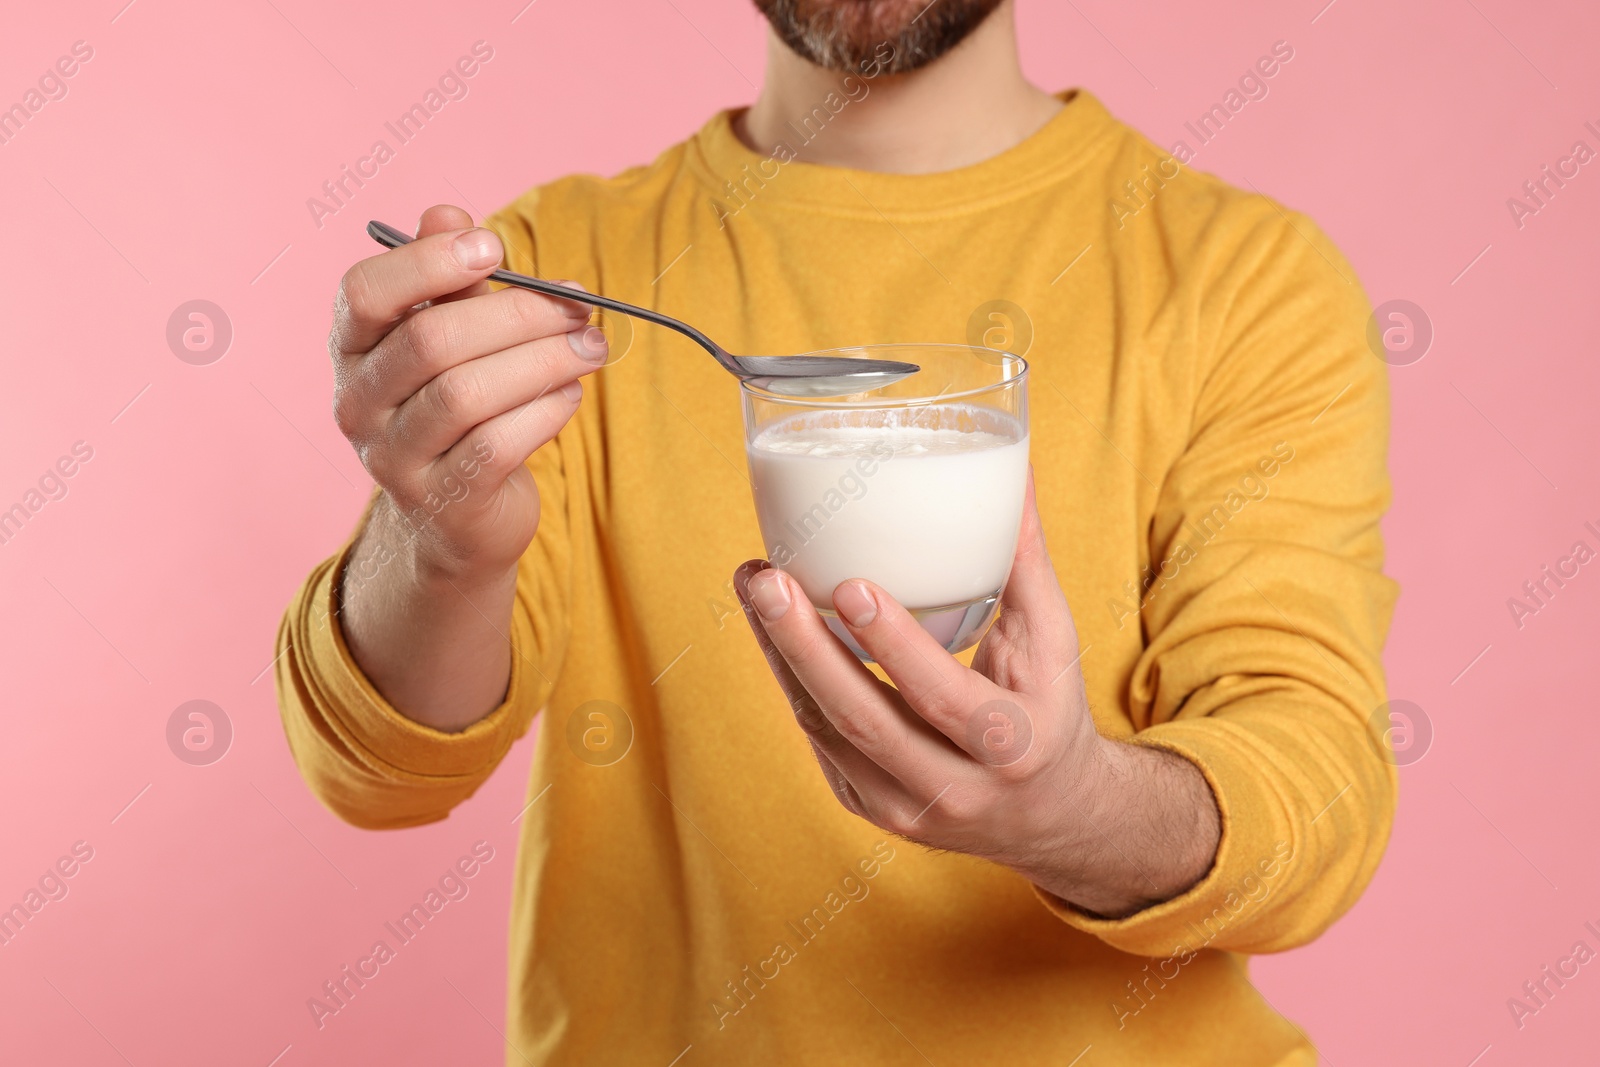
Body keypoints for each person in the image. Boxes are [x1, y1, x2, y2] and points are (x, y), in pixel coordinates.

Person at [274, 0, 1397, 1061]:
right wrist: (442, 538)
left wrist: (1070, 811)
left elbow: (1309, 796)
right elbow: (377, 774)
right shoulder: (567, 283)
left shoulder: (1241, 280)